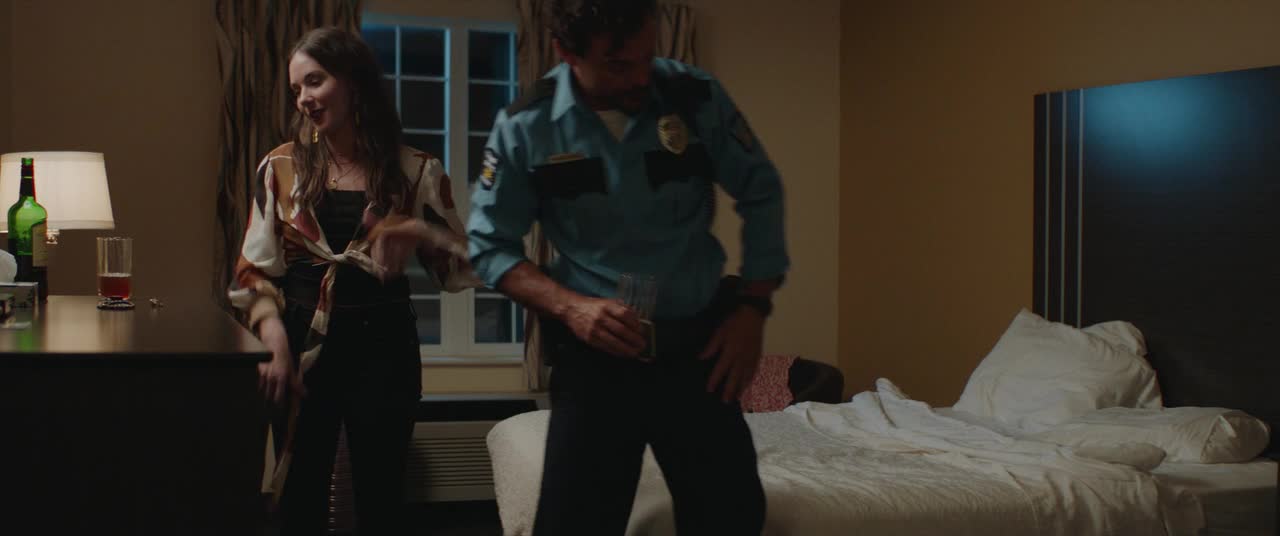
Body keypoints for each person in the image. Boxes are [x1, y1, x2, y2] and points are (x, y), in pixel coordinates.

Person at [466, 1, 788, 533]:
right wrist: (571, 308)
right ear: (566, 52)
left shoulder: (695, 97)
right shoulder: (527, 125)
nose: (641, 77)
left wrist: (753, 310)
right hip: (596, 362)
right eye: (618, 65)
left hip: (699, 354)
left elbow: (762, 191)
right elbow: (489, 246)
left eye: (647, 56)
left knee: (731, 517)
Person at [228, 26, 480, 535]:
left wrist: (419, 231)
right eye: (296, 89)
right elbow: (253, 271)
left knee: (381, 500)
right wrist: (274, 342)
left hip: (386, 347)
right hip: (301, 344)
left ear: (354, 81)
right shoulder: (280, 167)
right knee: (298, 499)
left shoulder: (416, 170)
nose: (303, 99)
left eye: (314, 81)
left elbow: (466, 267)